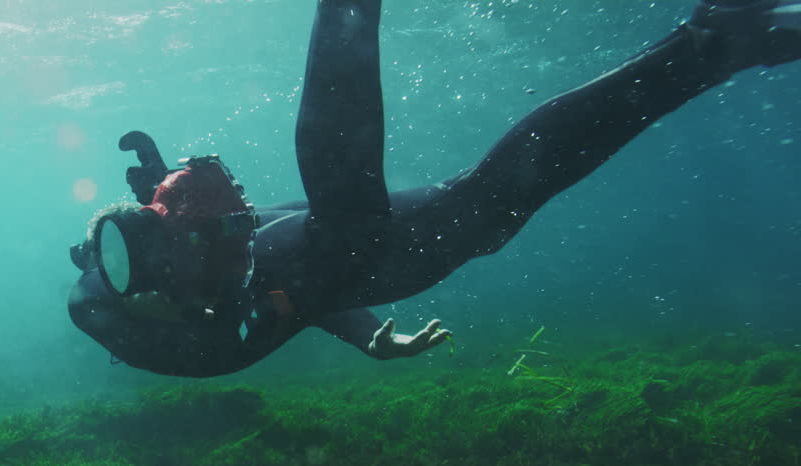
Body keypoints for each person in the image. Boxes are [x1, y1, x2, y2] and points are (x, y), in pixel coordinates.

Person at [68, 0, 801, 378]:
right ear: (175, 291)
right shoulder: (198, 342)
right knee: (466, 215)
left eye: (229, 227)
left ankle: (711, 45)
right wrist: (366, 336)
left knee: (433, 217)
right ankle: (710, 46)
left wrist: (161, 191)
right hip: (317, 272)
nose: (240, 232)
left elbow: (276, 281)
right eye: (215, 238)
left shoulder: (155, 270)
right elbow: (284, 305)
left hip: (302, 265)